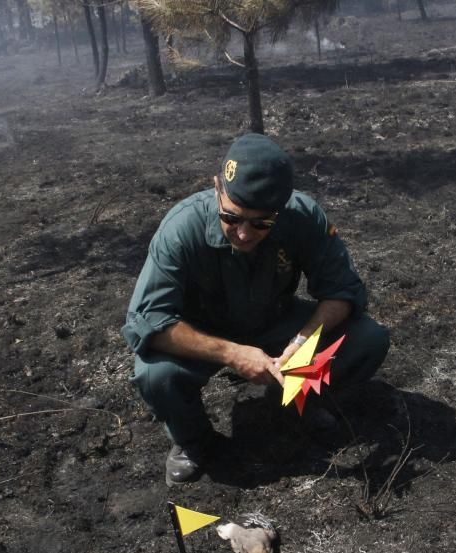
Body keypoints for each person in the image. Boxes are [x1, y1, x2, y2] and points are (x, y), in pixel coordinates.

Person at [122, 133, 389, 486]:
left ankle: (298, 396)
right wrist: (233, 354)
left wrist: (302, 341)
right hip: (204, 331)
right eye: (231, 218)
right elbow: (148, 320)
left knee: (367, 339)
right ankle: (192, 441)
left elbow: (342, 291)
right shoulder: (180, 228)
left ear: (282, 208)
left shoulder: (303, 216)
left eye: (261, 223)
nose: (244, 234)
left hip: (274, 320)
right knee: (155, 374)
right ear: (217, 187)